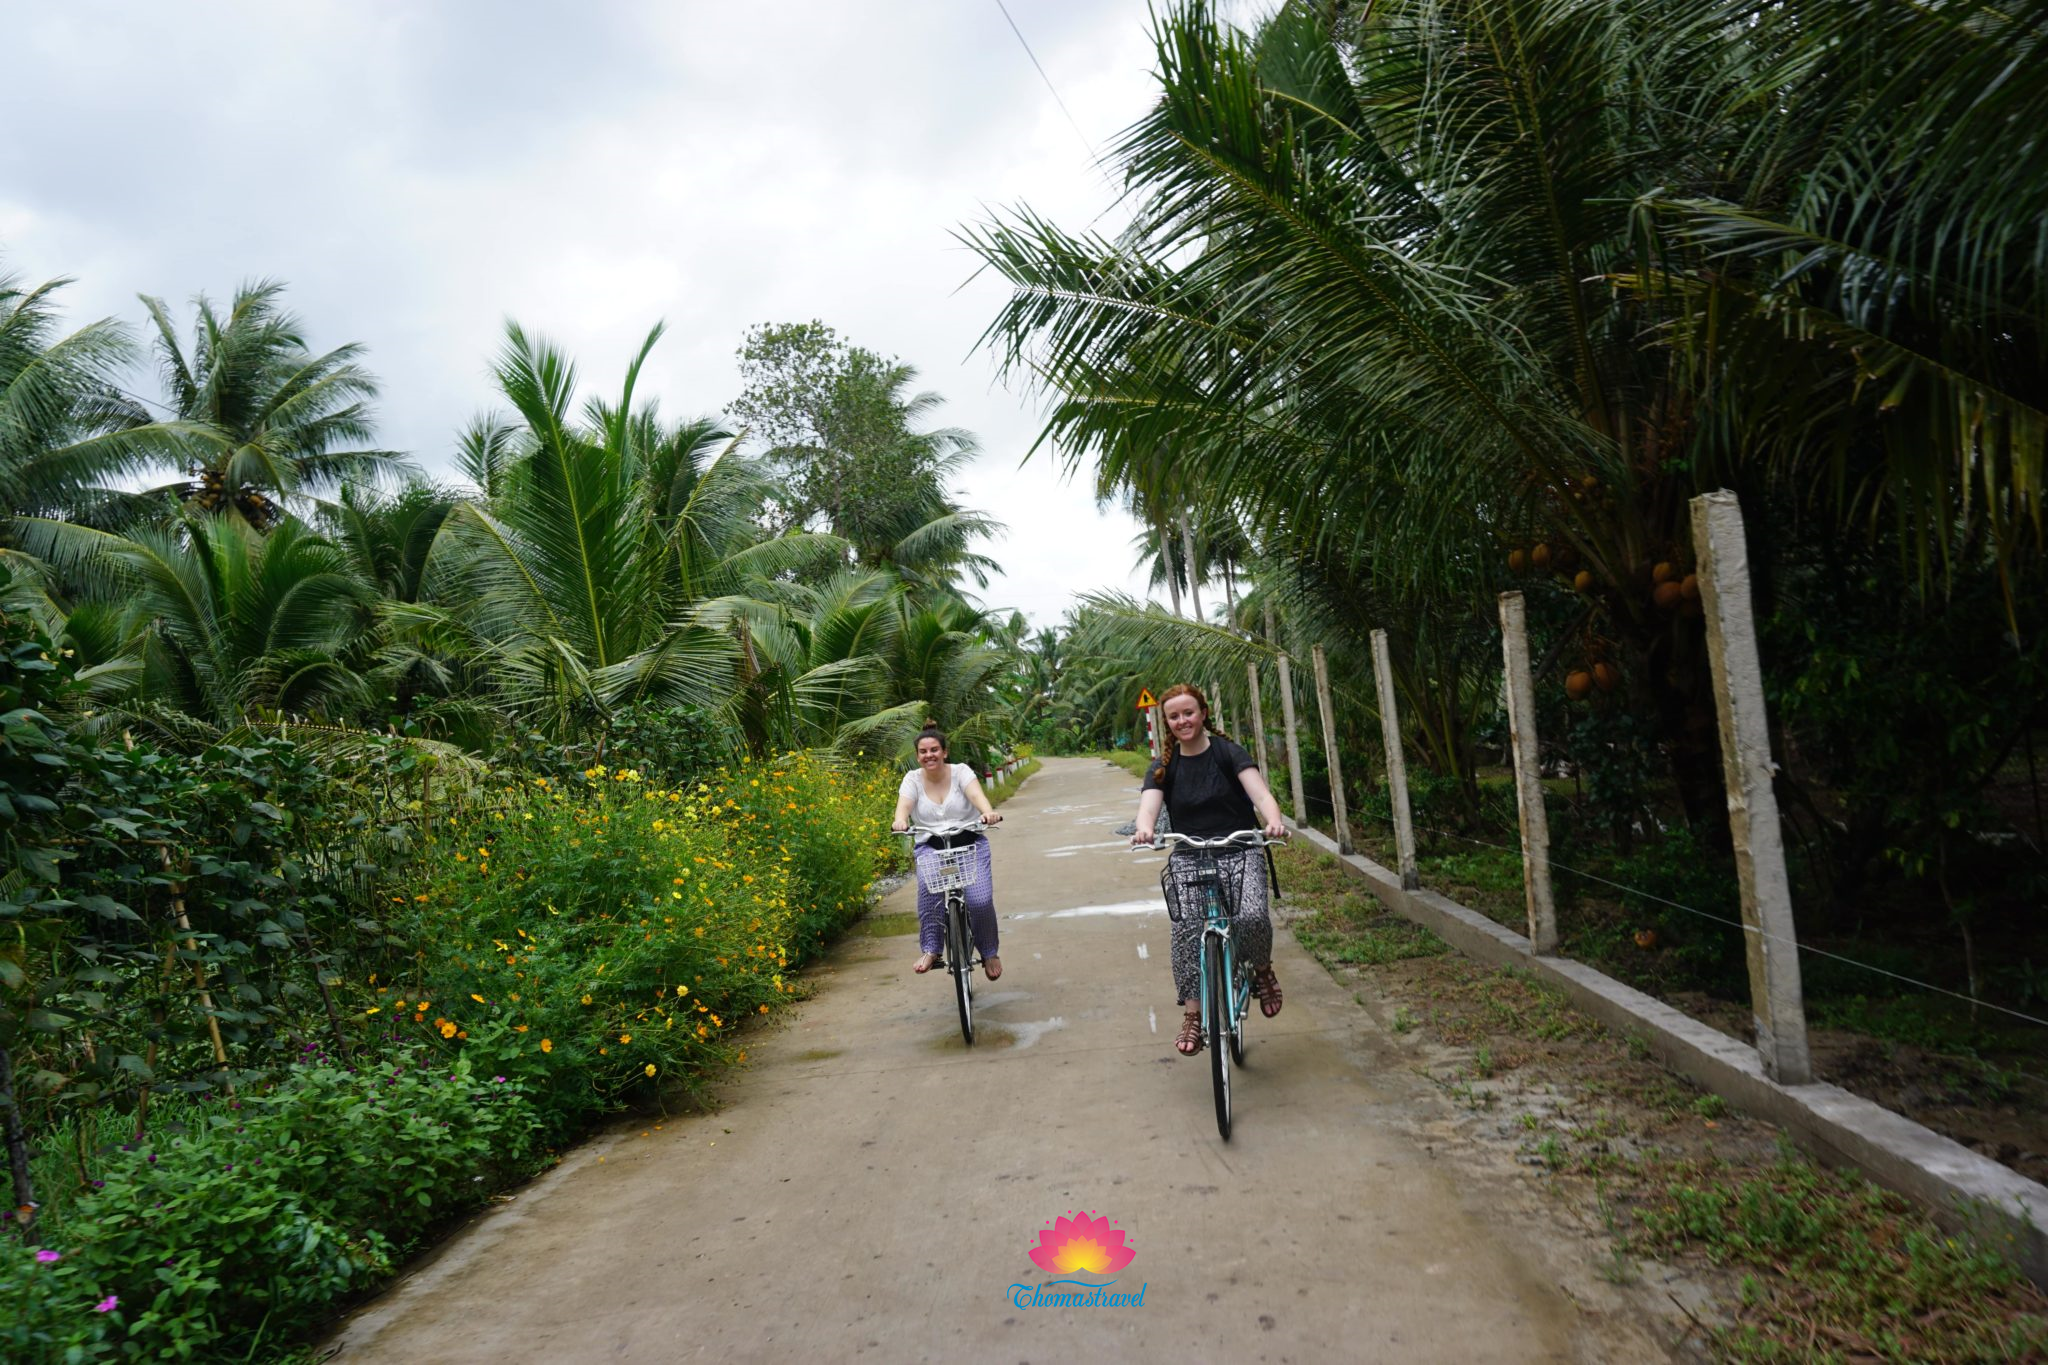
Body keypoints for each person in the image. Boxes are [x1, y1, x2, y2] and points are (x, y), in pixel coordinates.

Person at [1130, 683, 1287, 1055]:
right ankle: (1193, 1015)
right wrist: (1145, 829)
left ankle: (1261, 969)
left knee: (1250, 916)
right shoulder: (1163, 767)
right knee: (1185, 929)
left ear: (1202, 713)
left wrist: (1274, 820)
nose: (1182, 721)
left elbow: (1260, 795)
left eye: (1188, 713)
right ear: (1166, 722)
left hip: (1239, 849)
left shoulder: (1228, 753)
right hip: (1190, 855)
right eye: (1174, 716)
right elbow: (1149, 807)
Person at [890, 722, 1003, 979]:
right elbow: (903, 806)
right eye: (923, 751)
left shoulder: (961, 772)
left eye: (934, 750)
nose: (929, 755)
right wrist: (901, 821)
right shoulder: (912, 779)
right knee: (929, 896)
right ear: (917, 756)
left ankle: (989, 952)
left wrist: (987, 812)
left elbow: (976, 795)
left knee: (979, 900)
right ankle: (932, 950)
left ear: (944, 752)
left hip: (969, 843)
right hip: (932, 846)